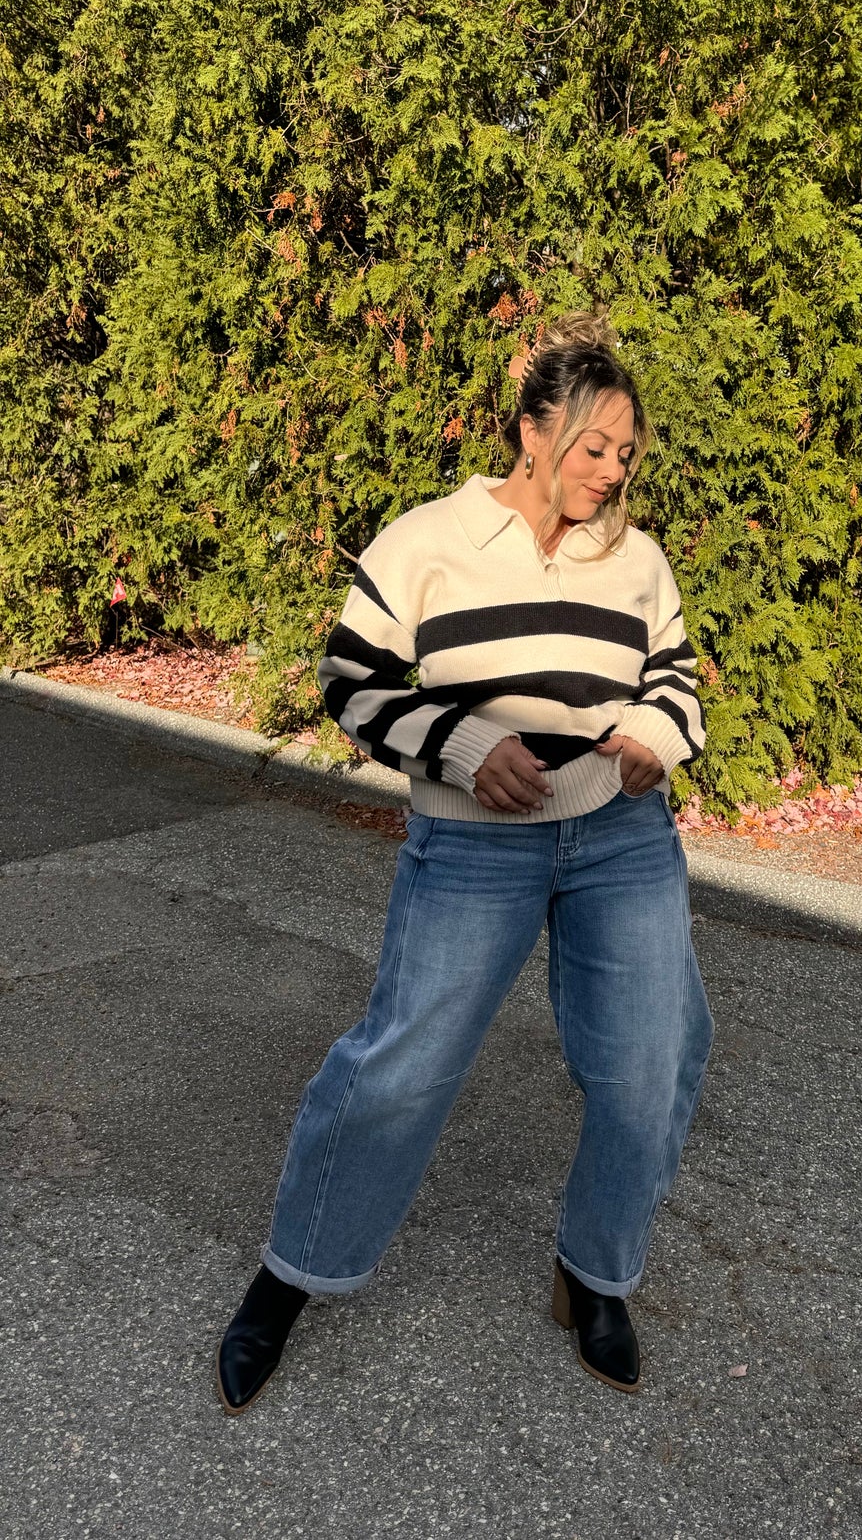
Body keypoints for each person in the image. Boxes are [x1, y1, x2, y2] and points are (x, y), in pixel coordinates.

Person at [214, 313, 712, 1410]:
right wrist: (466, 745)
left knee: (651, 1059)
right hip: (475, 843)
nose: (613, 469)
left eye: (627, 451)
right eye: (594, 446)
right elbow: (352, 681)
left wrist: (650, 737)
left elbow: (673, 675)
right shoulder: (425, 541)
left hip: (619, 837)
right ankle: (290, 1276)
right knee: (402, 1061)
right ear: (534, 431)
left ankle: (592, 1272)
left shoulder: (634, 559)